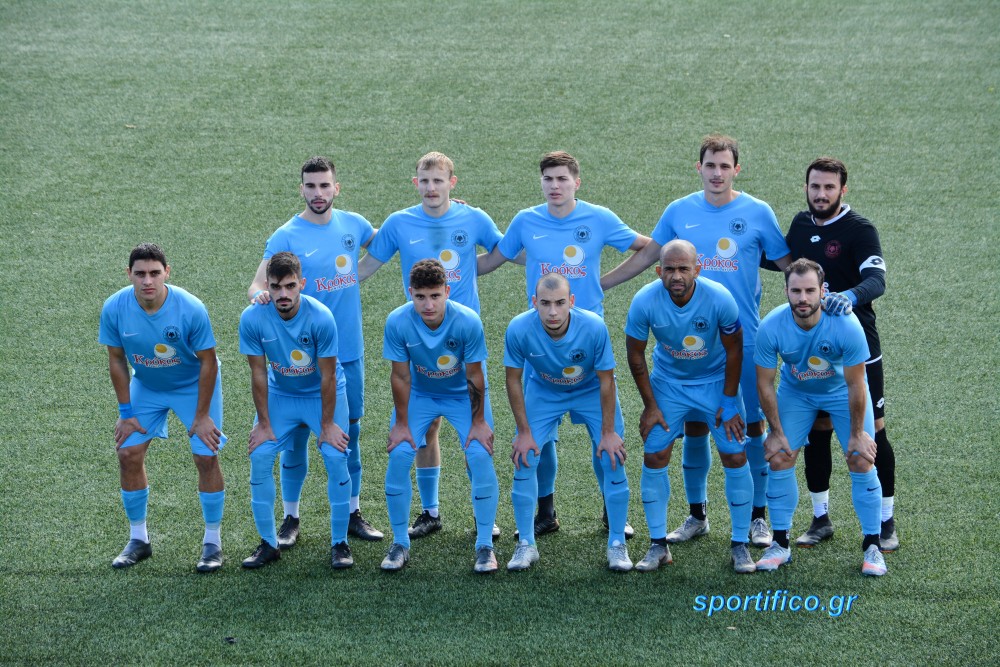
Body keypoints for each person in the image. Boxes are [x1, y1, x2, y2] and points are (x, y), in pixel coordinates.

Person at [602, 135, 791, 549]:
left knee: (750, 425)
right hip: (689, 347)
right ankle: (697, 515)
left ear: (736, 170)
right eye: (710, 165)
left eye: (725, 166)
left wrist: (823, 295)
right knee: (694, 426)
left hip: (741, 341)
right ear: (699, 168)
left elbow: (789, 265)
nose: (717, 173)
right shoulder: (679, 211)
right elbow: (648, 256)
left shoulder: (758, 212)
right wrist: (599, 285)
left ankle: (758, 517)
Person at [479, 150, 650, 539]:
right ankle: (546, 512)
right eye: (548, 179)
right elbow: (493, 260)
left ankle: (611, 513)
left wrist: (603, 282)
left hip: (589, 348)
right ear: (541, 183)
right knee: (540, 439)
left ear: (577, 183)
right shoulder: (526, 220)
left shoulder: (599, 218)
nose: (555, 186)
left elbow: (649, 247)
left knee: (606, 436)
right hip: (542, 347)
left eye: (562, 179)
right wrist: (445, 267)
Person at [358, 151, 504, 540]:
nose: (431, 187)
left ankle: (483, 516)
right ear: (415, 183)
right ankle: (431, 511)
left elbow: (505, 250)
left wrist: (478, 267)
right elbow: (366, 267)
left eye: (438, 180)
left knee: (476, 436)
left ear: (452, 183)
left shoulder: (473, 218)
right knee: (427, 430)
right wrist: (323, 285)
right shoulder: (399, 222)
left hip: (464, 343)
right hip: (420, 341)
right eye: (424, 181)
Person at [246, 156, 382, 549]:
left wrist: (358, 273)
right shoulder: (286, 235)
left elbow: (392, 241)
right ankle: (291, 517)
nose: (318, 193)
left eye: (325, 186)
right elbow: (257, 284)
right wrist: (260, 298)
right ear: (301, 189)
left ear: (336, 188)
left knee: (348, 434)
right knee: (294, 440)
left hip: (347, 352)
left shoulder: (354, 224)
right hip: (299, 359)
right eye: (311, 186)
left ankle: (352, 511)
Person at [778, 157, 898, 552]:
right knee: (817, 430)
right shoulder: (800, 225)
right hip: (812, 347)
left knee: (873, 430)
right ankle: (821, 518)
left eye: (829, 187)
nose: (821, 194)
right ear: (806, 188)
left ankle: (885, 521)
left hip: (857, 347)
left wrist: (848, 296)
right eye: (815, 186)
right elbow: (780, 262)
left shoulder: (859, 229)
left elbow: (877, 280)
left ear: (843, 190)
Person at [624, 241, 756, 573]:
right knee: (655, 454)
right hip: (669, 384)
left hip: (715, 382)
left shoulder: (719, 299)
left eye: (684, 269)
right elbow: (635, 355)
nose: (676, 276)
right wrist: (650, 406)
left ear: (697, 269)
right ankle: (658, 545)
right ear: (659, 272)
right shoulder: (644, 301)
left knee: (735, 455)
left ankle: (740, 544)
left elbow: (735, 350)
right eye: (669, 269)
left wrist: (729, 401)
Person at [754, 258, 886, 576]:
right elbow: (764, 383)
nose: (803, 298)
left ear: (822, 290)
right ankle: (780, 544)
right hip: (797, 393)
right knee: (779, 456)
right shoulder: (771, 326)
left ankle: (873, 547)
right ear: (786, 291)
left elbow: (857, 384)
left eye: (810, 291)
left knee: (860, 458)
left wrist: (858, 433)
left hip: (841, 392)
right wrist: (775, 431)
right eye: (796, 291)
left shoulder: (846, 324)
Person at [99, 243, 227, 572]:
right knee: (128, 453)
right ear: (128, 274)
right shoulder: (115, 307)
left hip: (193, 385)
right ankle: (138, 539)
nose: (147, 281)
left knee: (206, 456)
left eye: (154, 273)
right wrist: (126, 414)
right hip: (149, 385)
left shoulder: (191, 308)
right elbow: (117, 360)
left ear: (167, 273)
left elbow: (208, 362)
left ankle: (212, 543)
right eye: (140, 273)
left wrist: (202, 416)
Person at [505, 273, 632, 572]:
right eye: (545, 303)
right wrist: (524, 432)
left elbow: (607, 380)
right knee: (525, 456)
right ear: (534, 302)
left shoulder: (594, 327)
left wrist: (608, 432)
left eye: (560, 303)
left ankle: (617, 543)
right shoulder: (519, 328)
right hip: (545, 391)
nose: (553, 312)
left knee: (612, 456)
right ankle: (526, 544)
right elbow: (512, 380)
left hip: (590, 389)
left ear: (571, 301)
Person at [380, 259, 499, 573]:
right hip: (421, 395)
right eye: (420, 297)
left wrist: (478, 422)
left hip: (461, 395)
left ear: (447, 291)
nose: (428, 304)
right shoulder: (398, 321)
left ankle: (485, 545)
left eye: (435, 295)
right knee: (400, 453)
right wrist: (401, 424)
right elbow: (400, 376)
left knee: (480, 454)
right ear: (411, 293)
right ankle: (399, 543)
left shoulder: (467, 321)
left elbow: (475, 375)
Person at [239, 252, 354, 570]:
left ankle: (340, 542)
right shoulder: (253, 318)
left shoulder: (321, 317)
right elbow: (258, 373)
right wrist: (264, 424)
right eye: (276, 287)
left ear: (302, 284)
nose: (283, 294)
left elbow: (328, 376)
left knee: (335, 455)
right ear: (267, 286)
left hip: (321, 395)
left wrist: (328, 425)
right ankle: (269, 543)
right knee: (261, 454)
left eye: (290, 286)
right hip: (282, 394)